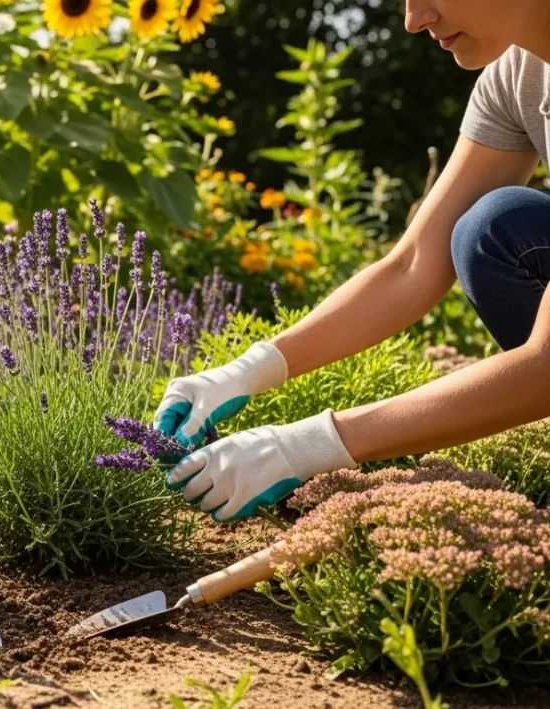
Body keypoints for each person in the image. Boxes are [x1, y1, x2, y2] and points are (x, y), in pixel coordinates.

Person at [155, 0, 550, 523]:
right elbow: (413, 265)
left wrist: (305, 446)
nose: (414, 19)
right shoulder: (521, 73)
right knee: (494, 229)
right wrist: (244, 372)